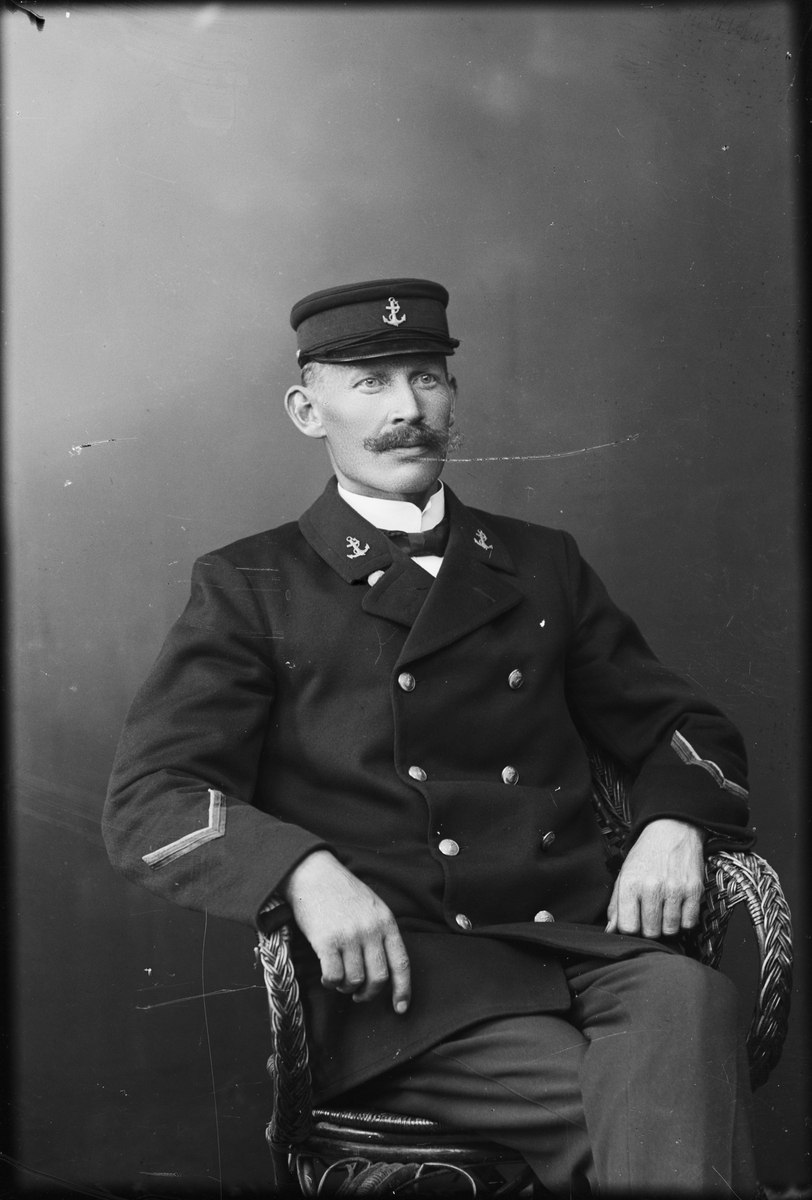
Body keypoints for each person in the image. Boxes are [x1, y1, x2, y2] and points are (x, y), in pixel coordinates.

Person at [103, 277, 758, 1196]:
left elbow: (685, 726)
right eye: (370, 383)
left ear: (454, 395)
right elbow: (152, 799)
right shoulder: (250, 583)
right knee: (662, 1115)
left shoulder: (540, 561)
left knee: (691, 996)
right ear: (307, 411)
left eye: (427, 378)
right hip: (407, 984)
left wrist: (673, 823)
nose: (407, 409)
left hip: (576, 942)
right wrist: (303, 871)